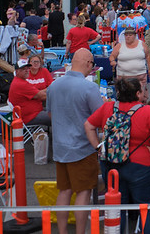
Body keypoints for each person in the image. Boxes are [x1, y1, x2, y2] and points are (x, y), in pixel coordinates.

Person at [84, 78, 150, 234]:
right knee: (146, 207)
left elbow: (88, 125)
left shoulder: (108, 108)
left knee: (117, 207)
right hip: (140, 165)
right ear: (137, 93)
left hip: (110, 162)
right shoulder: (148, 111)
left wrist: (98, 147)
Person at [47, 48, 104, 234]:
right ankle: (80, 232)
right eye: (92, 65)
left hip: (60, 147)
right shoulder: (90, 87)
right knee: (83, 192)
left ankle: (62, 231)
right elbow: (100, 118)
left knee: (64, 191)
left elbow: (50, 113)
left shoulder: (54, 86)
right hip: (82, 148)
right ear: (88, 64)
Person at [8, 57, 51, 126]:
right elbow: (43, 96)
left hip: (30, 113)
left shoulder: (19, 81)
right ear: (17, 72)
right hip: (30, 117)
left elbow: (38, 93)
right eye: (23, 69)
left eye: (28, 68)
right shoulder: (21, 84)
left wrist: (49, 89)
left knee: (54, 111)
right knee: (58, 116)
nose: (27, 70)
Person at [110, 26, 150, 96]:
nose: (128, 37)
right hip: (123, 77)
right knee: (124, 96)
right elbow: (112, 56)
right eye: (126, 35)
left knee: (140, 96)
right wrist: (112, 61)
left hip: (140, 76)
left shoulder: (141, 44)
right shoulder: (119, 45)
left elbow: (148, 56)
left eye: (130, 35)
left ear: (135, 36)